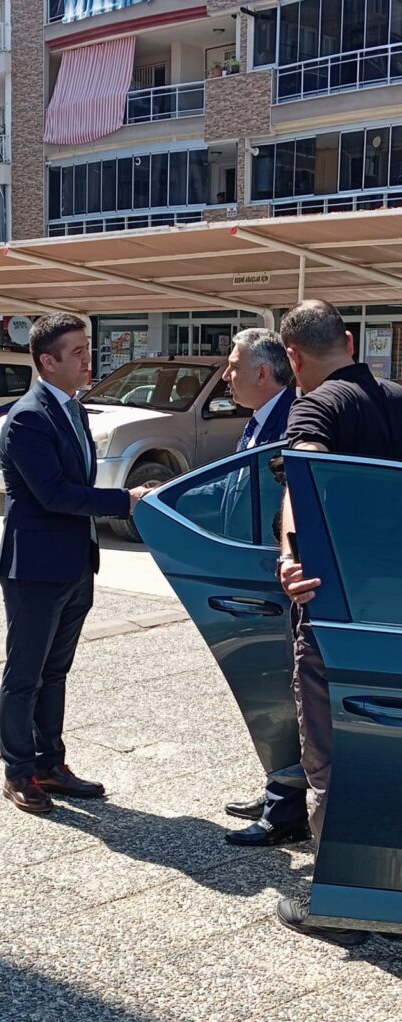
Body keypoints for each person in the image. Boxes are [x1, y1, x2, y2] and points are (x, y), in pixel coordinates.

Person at [276, 299, 402, 944]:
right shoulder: (398, 398)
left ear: (293, 357)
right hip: (396, 603)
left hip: (340, 606)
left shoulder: (315, 408)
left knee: (330, 753)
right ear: (350, 340)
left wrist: (290, 557)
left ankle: (344, 902)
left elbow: (304, 478)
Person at [0, 313, 149, 815]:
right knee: (25, 674)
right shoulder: (28, 417)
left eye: (87, 348)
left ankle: (49, 762)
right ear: (48, 361)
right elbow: (55, 494)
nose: (88, 359)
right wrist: (124, 501)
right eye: (78, 351)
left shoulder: (74, 410)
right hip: (35, 568)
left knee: (55, 672)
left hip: (76, 562)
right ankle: (18, 772)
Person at [184, 327, 309, 847]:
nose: (226, 374)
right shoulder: (259, 420)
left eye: (234, 365)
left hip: (275, 580)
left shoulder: (291, 422)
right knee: (266, 690)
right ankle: (278, 786)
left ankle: (286, 811)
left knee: (282, 692)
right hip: (252, 574)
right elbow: (236, 490)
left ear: (263, 371)